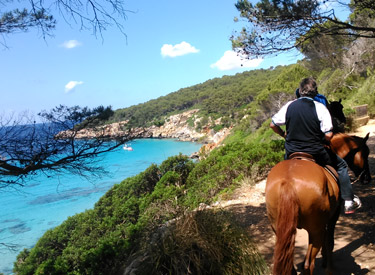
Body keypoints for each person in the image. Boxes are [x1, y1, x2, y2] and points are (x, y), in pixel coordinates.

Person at [270, 77, 361, 214]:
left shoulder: (289, 105)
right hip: (315, 151)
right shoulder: (320, 107)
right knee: (341, 166)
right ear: (315, 92)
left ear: (300, 91)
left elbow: (273, 124)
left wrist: (284, 135)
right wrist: (323, 140)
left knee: (286, 168)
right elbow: (329, 134)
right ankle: (348, 201)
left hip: (292, 151)